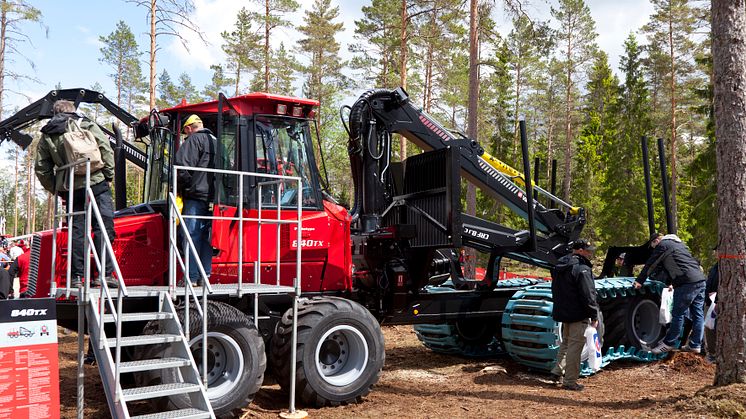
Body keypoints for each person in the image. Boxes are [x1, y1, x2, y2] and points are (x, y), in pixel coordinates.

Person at [35, 99, 117, 288]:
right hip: (96, 183)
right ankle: (104, 275)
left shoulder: (47, 134)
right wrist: (109, 175)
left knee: (77, 232)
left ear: (55, 113)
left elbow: (41, 168)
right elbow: (105, 149)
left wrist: (56, 188)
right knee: (103, 228)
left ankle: (76, 277)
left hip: (70, 187)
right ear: (73, 111)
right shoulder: (86, 124)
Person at [634, 233, 706, 354]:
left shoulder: (663, 245)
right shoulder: (680, 245)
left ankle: (669, 343)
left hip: (686, 283)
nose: (653, 249)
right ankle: (695, 345)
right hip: (700, 280)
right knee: (698, 314)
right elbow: (675, 265)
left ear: (656, 241)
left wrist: (639, 280)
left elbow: (651, 263)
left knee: (678, 314)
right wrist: (671, 282)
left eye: (653, 246)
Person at [550, 239, 600, 391]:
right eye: (588, 250)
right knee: (575, 347)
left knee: (565, 343)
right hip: (578, 313)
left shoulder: (560, 266)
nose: (590, 253)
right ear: (579, 250)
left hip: (563, 312)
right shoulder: (582, 268)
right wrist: (594, 314)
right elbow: (588, 294)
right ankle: (570, 381)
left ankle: (557, 371)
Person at [174, 114, 216, 285]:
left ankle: (191, 276)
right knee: (207, 238)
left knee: (190, 235)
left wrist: (184, 188)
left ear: (189, 128)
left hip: (195, 196)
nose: (186, 135)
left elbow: (182, 168)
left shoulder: (193, 140)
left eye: (185, 131)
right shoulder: (216, 142)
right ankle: (205, 275)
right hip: (213, 198)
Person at [704, 249, 719, 363]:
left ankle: (716, 355)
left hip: (719, 303)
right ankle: (712, 354)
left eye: (717, 250)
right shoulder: (715, 267)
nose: (715, 252)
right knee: (709, 328)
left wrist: (718, 297)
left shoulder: (728, 266)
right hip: (710, 303)